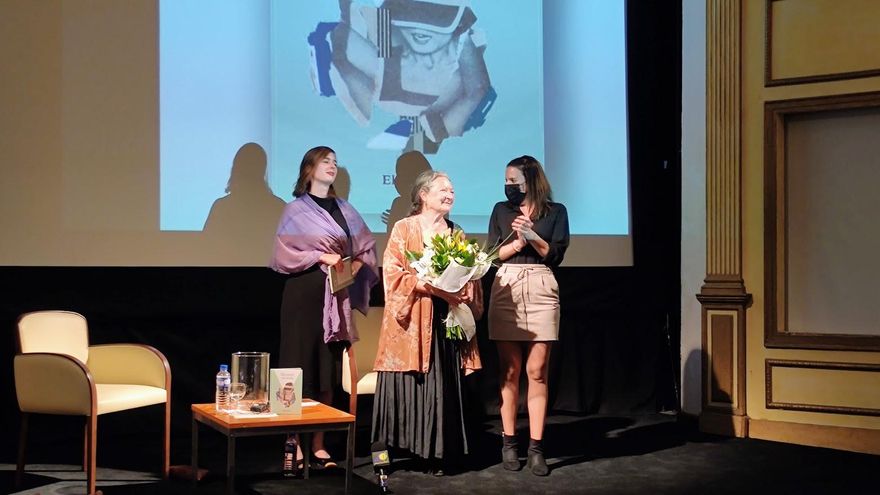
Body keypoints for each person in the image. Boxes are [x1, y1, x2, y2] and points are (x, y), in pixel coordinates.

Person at [270, 145, 379, 476]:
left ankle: (319, 442)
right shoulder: (294, 210)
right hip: (303, 295)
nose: (332, 166)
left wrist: (354, 267)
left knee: (327, 368)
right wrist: (320, 256)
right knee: (296, 366)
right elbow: (282, 253)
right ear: (309, 169)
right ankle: (293, 442)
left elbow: (366, 247)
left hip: (336, 296)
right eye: (325, 161)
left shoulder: (346, 209)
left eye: (335, 161)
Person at [372, 170, 483, 475]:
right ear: (423, 195)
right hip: (409, 323)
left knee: (439, 387)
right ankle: (383, 456)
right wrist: (431, 286)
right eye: (443, 190)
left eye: (452, 191)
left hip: (443, 321)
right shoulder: (404, 228)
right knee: (400, 388)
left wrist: (465, 287)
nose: (450, 195)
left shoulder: (456, 233)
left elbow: (470, 275)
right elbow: (392, 273)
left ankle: (436, 455)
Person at [311, 0, 494, 153]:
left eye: (435, 16)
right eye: (411, 13)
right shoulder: (380, 46)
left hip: (428, 109)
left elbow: (478, 90)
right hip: (391, 81)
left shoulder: (461, 48)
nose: (420, 28)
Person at [486, 155, 569, 476]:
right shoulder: (501, 210)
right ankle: (509, 443)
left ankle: (536, 448)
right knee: (509, 371)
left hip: (542, 286)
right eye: (506, 181)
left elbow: (556, 254)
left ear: (531, 181)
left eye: (514, 181)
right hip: (507, 284)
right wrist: (518, 242)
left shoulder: (555, 211)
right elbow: (492, 255)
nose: (508, 186)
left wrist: (533, 236)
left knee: (537, 372)